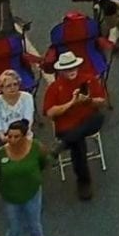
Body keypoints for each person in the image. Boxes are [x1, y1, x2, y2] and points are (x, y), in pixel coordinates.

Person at [41, 53, 106, 200]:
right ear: (61, 71)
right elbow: (50, 112)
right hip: (67, 126)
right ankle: (83, 182)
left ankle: (63, 145)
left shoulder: (88, 79)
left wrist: (88, 101)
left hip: (89, 120)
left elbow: (102, 101)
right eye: (67, 68)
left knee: (98, 118)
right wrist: (71, 103)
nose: (71, 70)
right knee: (78, 143)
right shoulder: (54, 88)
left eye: (73, 67)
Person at [0, 71, 35, 143]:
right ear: (1, 88)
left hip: (24, 135)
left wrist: (18, 136)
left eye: (15, 84)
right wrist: (5, 138)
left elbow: (28, 120)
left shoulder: (27, 98)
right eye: (9, 86)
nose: (13, 88)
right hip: (2, 138)